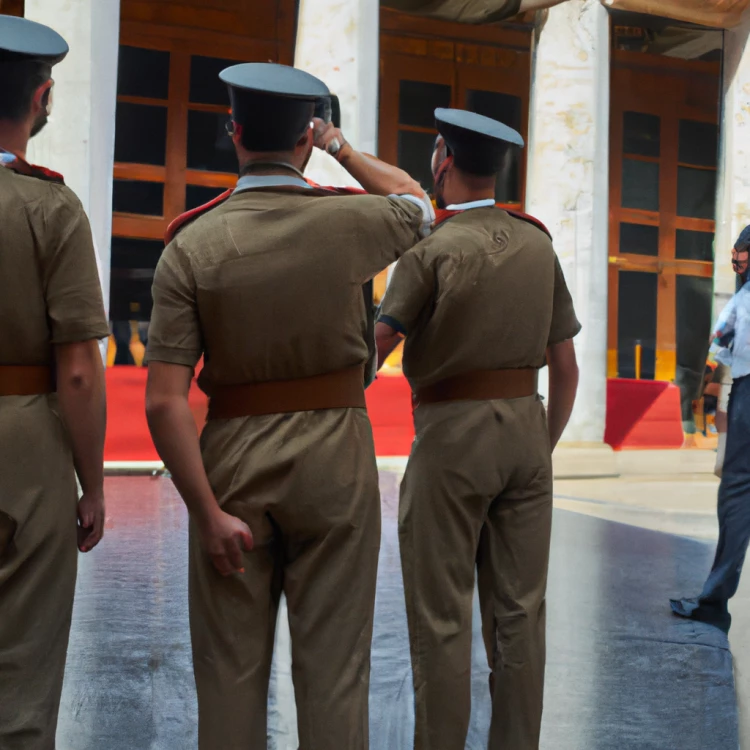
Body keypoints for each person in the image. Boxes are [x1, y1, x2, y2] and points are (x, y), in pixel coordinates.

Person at [144, 62, 432, 749]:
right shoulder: (351, 220)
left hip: (232, 461)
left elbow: (163, 401)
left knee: (229, 674)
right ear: (304, 135)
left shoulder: (192, 243)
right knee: (334, 672)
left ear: (233, 132)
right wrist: (340, 148)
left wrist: (206, 511)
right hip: (335, 455)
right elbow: (418, 202)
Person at [375, 108, 581, 750]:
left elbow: (370, 352)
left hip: (451, 438)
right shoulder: (537, 242)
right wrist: (537, 448)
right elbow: (566, 368)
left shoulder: (432, 247)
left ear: (442, 160)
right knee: (521, 617)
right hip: (527, 432)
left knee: (441, 618)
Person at [0, 16, 109, 749]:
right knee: (22, 664)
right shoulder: (50, 207)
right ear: (42, 96)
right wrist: (93, 482)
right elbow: (76, 366)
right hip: (22, 443)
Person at [672, 226, 750, 632]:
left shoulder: (744, 297)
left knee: (737, 492)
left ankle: (713, 602)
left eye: (738, 253)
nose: (735, 261)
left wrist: (703, 393)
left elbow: (720, 345)